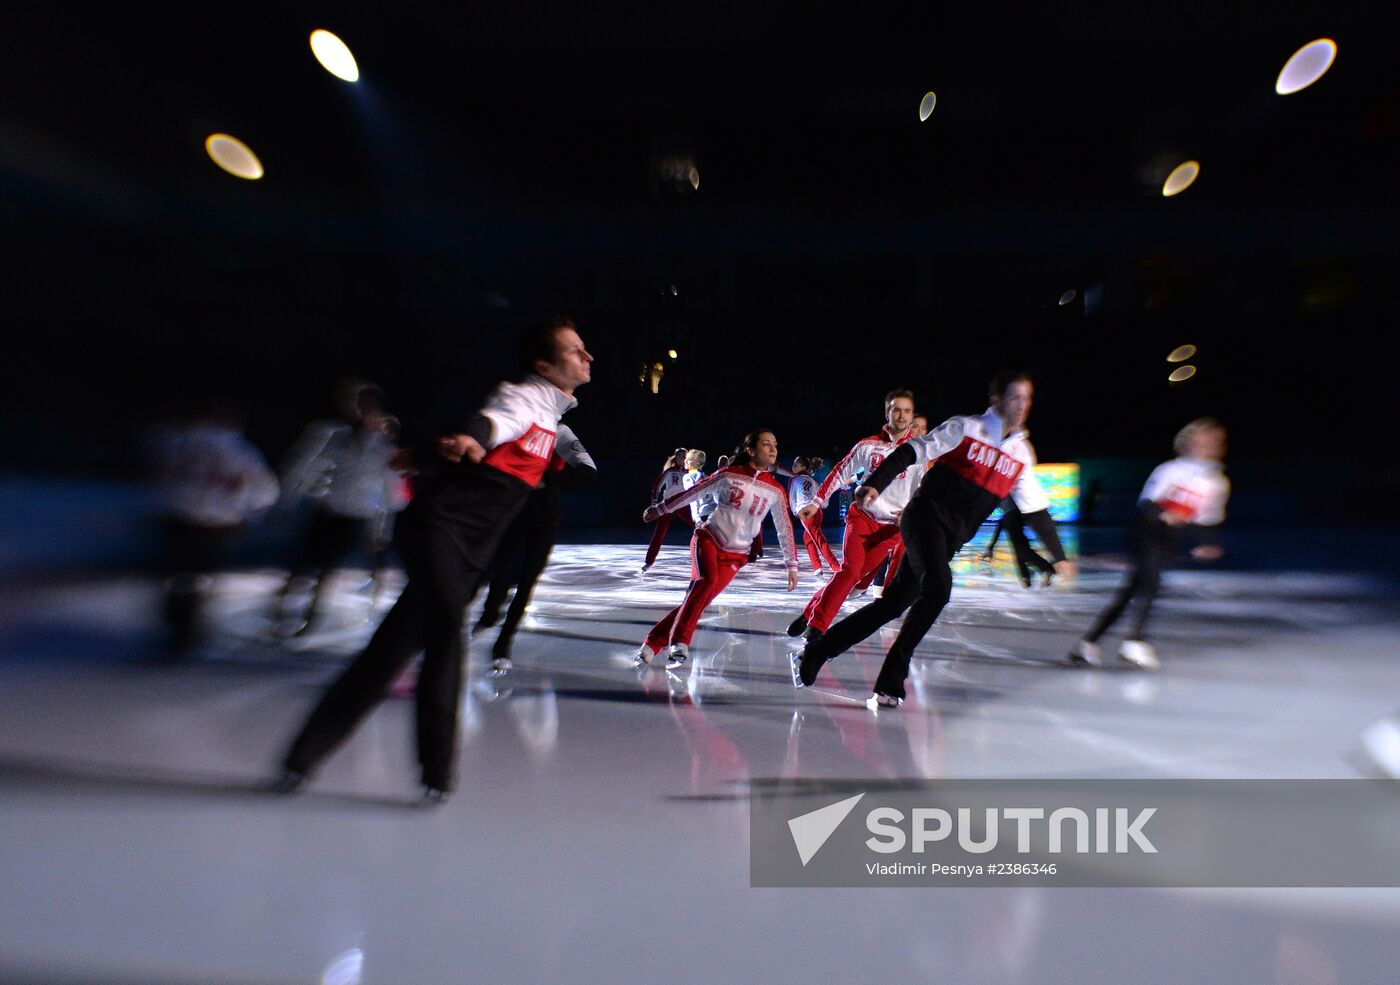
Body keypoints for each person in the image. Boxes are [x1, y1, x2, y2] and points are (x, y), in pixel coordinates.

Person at [276, 316, 593, 802]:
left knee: (386, 655)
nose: (587, 356)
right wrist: (472, 437)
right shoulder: (526, 397)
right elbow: (494, 418)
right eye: (574, 350)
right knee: (447, 632)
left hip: (470, 553)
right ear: (544, 365)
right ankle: (438, 773)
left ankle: (301, 758)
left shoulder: (552, 420)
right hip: (437, 531)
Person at [794, 372, 1076, 707]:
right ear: (997, 400)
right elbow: (910, 452)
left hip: (950, 538)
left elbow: (1036, 510)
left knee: (893, 604)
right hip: (922, 518)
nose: (1022, 406)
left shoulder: (1021, 454)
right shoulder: (965, 428)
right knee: (938, 590)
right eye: (1015, 397)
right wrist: (876, 483)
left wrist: (1058, 556)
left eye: (1027, 399)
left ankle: (818, 651)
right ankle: (891, 682)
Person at [1068, 418, 1229, 670]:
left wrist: (1205, 543)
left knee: (1131, 591)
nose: (1206, 447)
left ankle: (1087, 643)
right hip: (1144, 533)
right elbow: (1147, 503)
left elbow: (1207, 519)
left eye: (1212, 443)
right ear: (1186, 444)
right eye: (1200, 442)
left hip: (1168, 541)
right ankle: (1135, 641)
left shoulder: (1216, 483)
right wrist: (1164, 516)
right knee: (1151, 585)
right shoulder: (1170, 471)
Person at [635, 429, 799, 669]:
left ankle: (651, 644)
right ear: (750, 450)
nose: (773, 449)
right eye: (766, 444)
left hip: (736, 555)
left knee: (698, 599)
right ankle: (679, 643)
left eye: (775, 444)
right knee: (706, 581)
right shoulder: (728, 474)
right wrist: (660, 509)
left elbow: (785, 527)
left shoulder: (775, 490)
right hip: (708, 538)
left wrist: (791, 565)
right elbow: (691, 493)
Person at [275, 379, 409, 633]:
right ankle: (283, 608)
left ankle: (309, 615)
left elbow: (390, 488)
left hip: (357, 511)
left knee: (327, 566)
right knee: (305, 561)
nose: (357, 408)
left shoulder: (384, 443)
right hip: (329, 506)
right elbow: (306, 466)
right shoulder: (334, 434)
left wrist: (382, 530)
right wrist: (288, 499)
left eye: (364, 403)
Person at [787, 389, 919, 644]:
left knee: (852, 580)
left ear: (912, 415)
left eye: (906, 410)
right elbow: (840, 471)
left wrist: (911, 511)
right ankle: (816, 627)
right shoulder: (867, 445)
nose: (901, 415)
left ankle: (808, 613)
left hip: (892, 527)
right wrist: (816, 502)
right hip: (862, 518)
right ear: (886, 412)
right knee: (849, 571)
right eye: (896, 409)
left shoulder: (918, 452)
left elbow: (923, 488)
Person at [152, 402, 279, 653]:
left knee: (179, 573)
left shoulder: (180, 445)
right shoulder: (240, 452)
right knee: (201, 576)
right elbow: (266, 491)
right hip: (218, 523)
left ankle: (177, 621)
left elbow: (160, 473)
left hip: (181, 516)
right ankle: (189, 627)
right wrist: (245, 510)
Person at [473, 424, 597, 673]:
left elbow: (588, 470)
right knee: (501, 572)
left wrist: (547, 478)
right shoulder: (516, 421)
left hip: (544, 515)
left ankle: (502, 645)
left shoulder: (559, 431)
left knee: (527, 580)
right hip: (511, 509)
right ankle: (489, 613)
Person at [641, 448, 691, 572]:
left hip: (683, 504)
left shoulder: (690, 472)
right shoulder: (669, 472)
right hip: (667, 506)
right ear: (675, 457)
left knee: (699, 527)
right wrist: (654, 503)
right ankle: (648, 562)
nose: (682, 458)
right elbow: (657, 486)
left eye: (684, 456)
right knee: (659, 534)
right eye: (679, 456)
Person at [789, 457, 838, 575]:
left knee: (819, 539)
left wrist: (796, 512)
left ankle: (835, 566)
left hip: (805, 512)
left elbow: (792, 499)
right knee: (808, 538)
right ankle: (817, 567)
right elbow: (824, 502)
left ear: (803, 467)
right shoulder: (813, 481)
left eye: (795, 465)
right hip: (817, 512)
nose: (793, 467)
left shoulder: (794, 480)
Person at [681, 449, 717, 526]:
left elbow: (692, 497)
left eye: (689, 459)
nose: (685, 461)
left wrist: (697, 519)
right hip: (716, 514)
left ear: (697, 463)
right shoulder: (706, 476)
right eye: (686, 458)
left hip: (704, 515)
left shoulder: (688, 477)